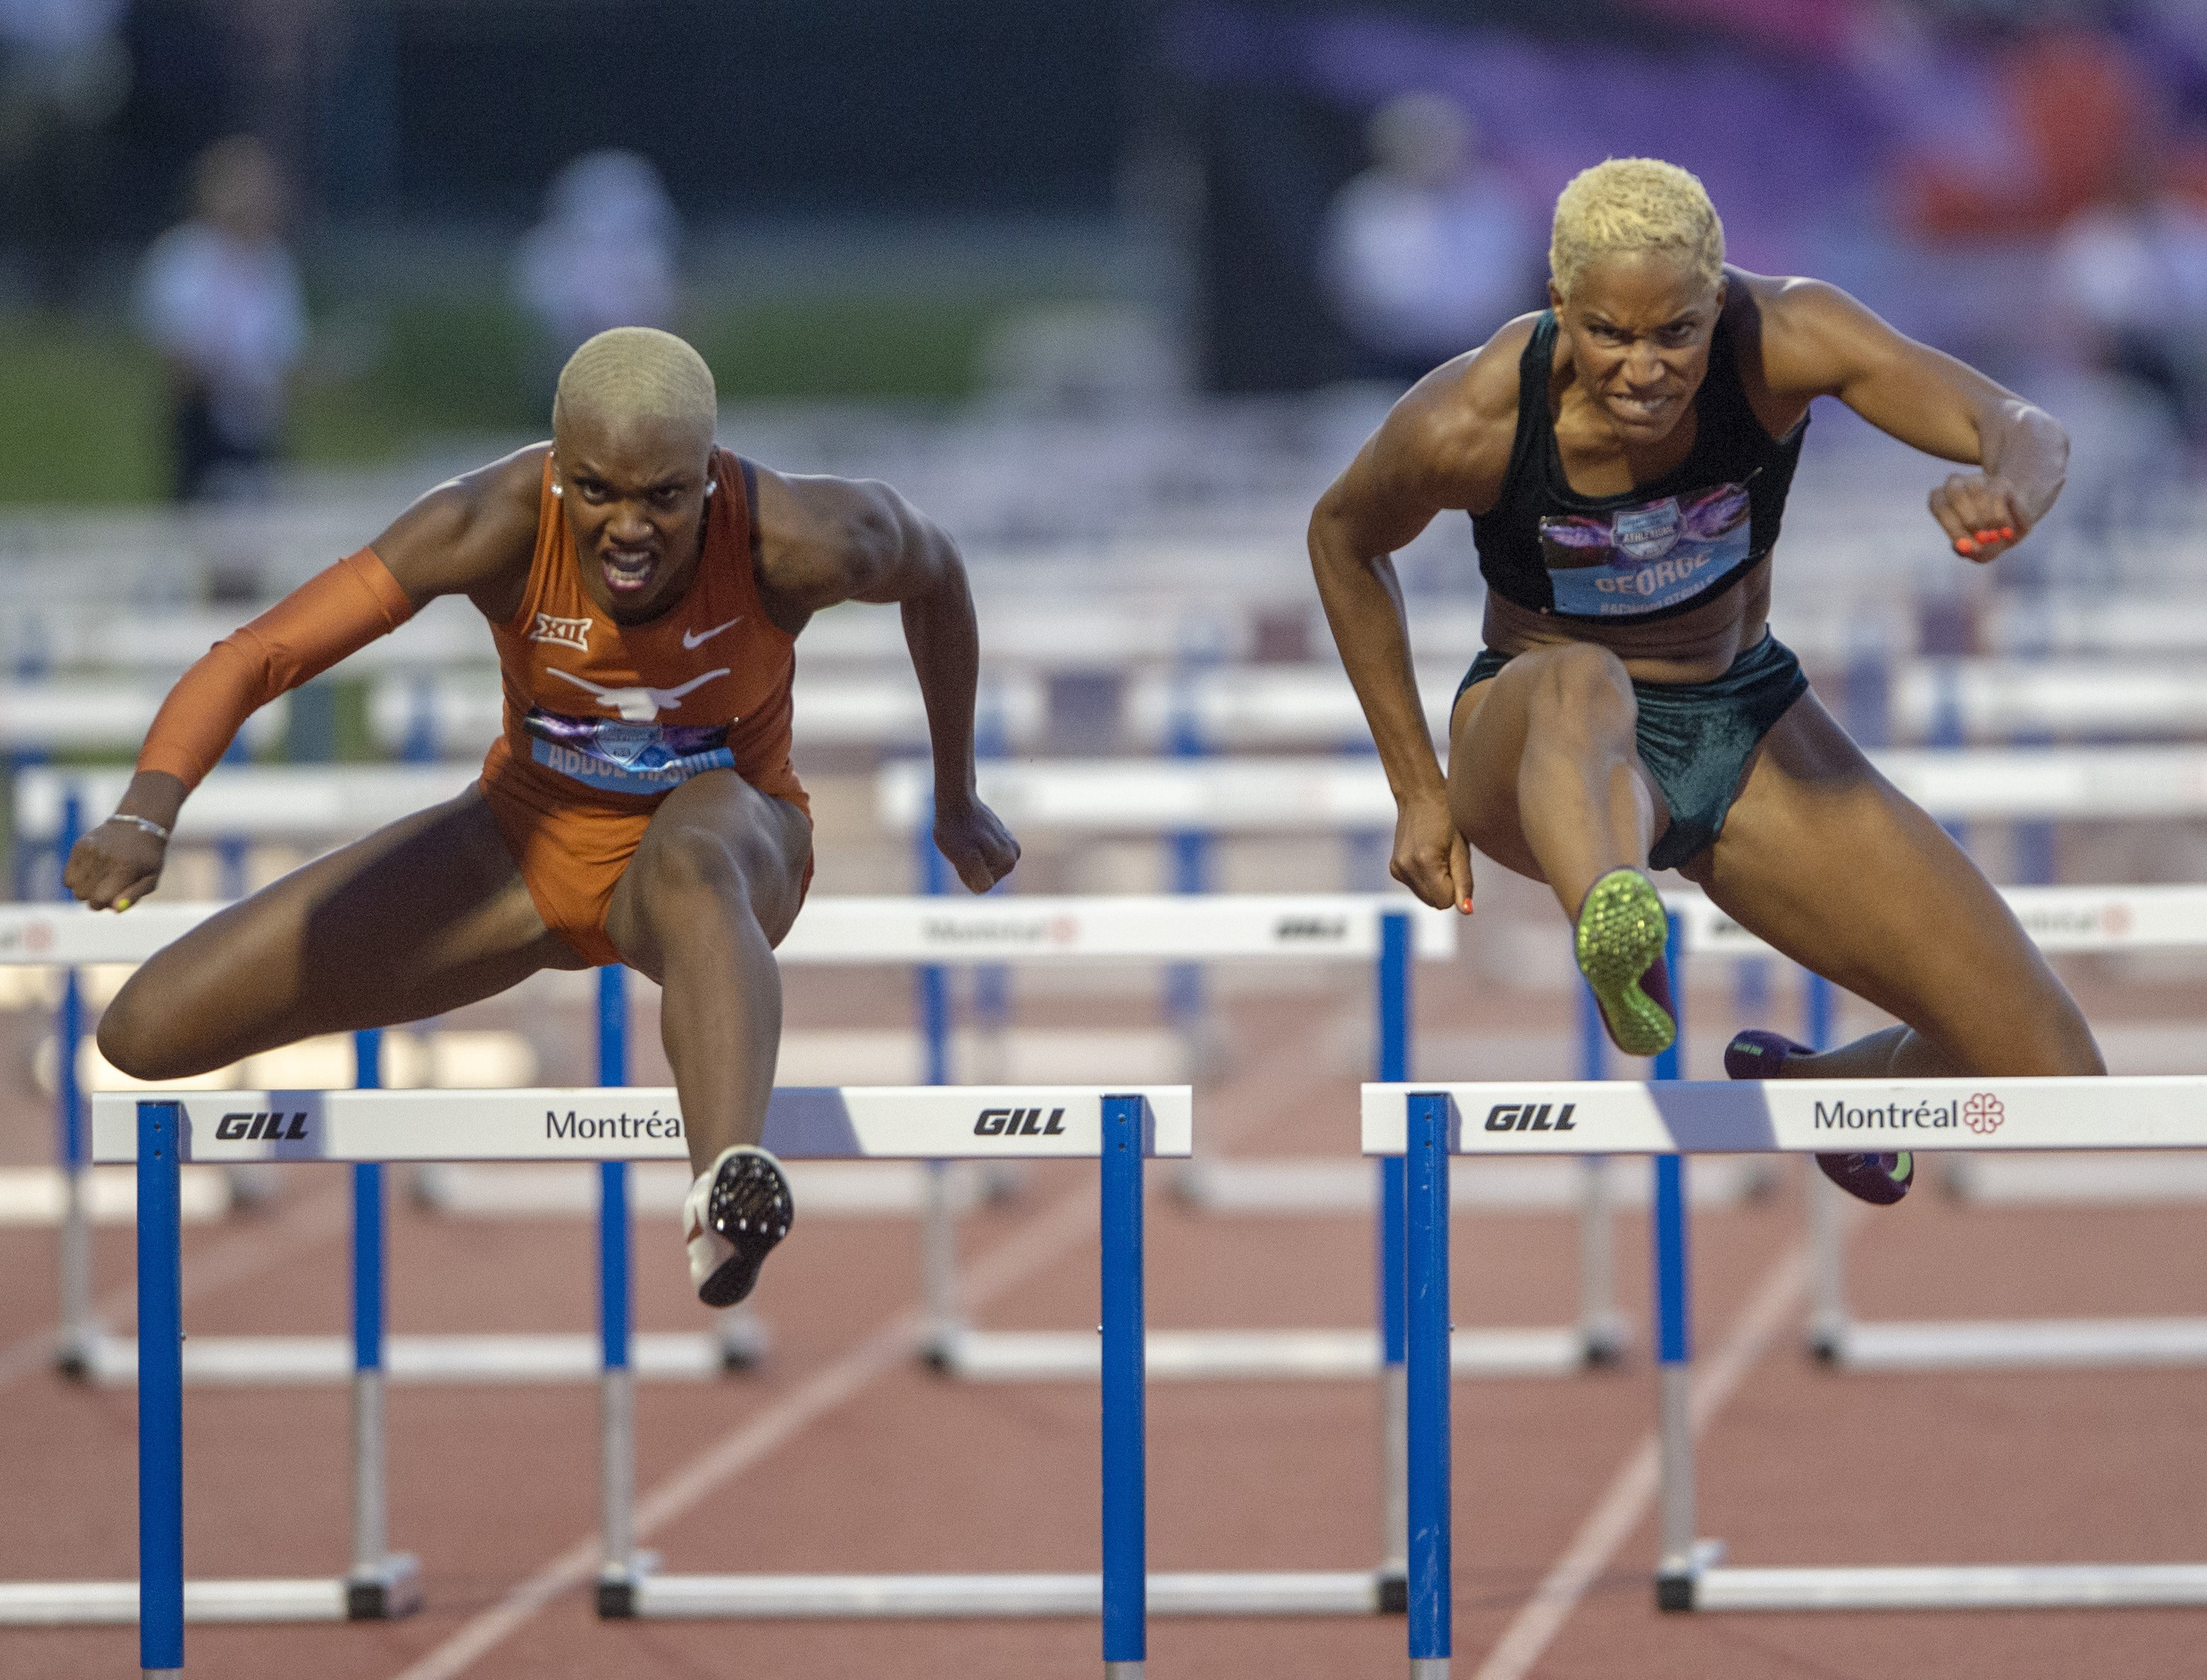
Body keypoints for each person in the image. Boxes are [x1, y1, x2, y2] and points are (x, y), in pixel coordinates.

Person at [67, 326, 1020, 1305]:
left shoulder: (802, 536)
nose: (630, 529)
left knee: (696, 841)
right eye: (598, 489)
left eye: (665, 495)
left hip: (729, 845)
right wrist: (147, 809)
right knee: (145, 1031)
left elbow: (938, 577)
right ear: (558, 468)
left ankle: (727, 1192)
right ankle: (721, 1166)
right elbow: (262, 652)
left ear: (710, 475)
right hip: (524, 845)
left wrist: (956, 792)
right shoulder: (487, 522)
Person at [1310, 158, 2103, 1207]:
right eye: (1608, 335)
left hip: (1743, 722)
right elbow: (1342, 536)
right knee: (1579, 677)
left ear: (1718, 299)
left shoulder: (1786, 337)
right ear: (1559, 306)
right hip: (1545, 741)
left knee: (2060, 1075)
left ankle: (1837, 1088)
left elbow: (2022, 423)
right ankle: (1616, 924)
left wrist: (2012, 486)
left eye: (1675, 334)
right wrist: (1414, 785)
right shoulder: (1474, 416)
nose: (1644, 370)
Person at [1320, 94, 1540, 385]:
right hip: (1389, 359)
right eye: (1417, 140)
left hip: (1479, 352)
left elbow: (1516, 275)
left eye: (1440, 140)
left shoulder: (1493, 202)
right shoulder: (1367, 206)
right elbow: (1351, 288)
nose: (1431, 151)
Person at [134, 134, 307, 503]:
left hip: (259, 428)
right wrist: (232, 378)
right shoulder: (184, 258)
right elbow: (174, 355)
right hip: (201, 426)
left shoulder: (274, 264)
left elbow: (285, 353)